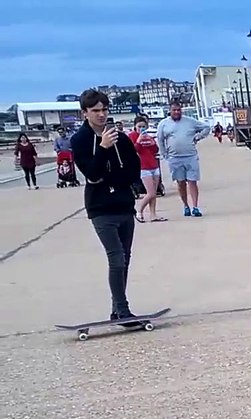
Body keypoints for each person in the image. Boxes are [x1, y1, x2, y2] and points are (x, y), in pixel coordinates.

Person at [70, 89, 143, 322]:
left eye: (104, 110)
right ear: (85, 113)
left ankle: (116, 308)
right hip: (100, 208)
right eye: (95, 111)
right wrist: (102, 149)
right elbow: (92, 176)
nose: (101, 115)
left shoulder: (120, 138)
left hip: (123, 203)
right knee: (116, 257)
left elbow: (133, 169)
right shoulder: (80, 140)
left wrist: (113, 178)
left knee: (125, 258)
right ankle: (123, 309)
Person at [156, 101, 210, 217]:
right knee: (180, 183)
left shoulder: (190, 121)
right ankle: (186, 205)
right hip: (174, 158)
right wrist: (164, 154)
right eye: (174, 110)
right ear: (169, 111)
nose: (176, 112)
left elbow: (206, 128)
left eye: (178, 110)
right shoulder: (163, 124)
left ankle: (195, 207)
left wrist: (198, 137)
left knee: (192, 181)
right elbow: (160, 139)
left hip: (190, 156)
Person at [129, 116, 166, 223]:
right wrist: (139, 140)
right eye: (139, 126)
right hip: (143, 166)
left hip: (153, 165)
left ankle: (153, 214)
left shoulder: (148, 136)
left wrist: (151, 141)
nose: (141, 128)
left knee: (154, 193)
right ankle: (139, 211)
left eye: (143, 126)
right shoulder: (133, 136)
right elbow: (134, 150)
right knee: (150, 193)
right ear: (135, 127)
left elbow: (155, 150)